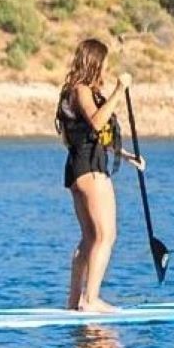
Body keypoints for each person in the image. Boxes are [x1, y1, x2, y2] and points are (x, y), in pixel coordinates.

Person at [58, 39, 144, 313]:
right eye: (104, 63)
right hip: (90, 170)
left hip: (79, 168)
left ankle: (74, 302)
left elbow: (94, 136)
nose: (107, 69)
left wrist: (128, 156)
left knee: (89, 238)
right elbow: (96, 122)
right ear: (94, 63)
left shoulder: (80, 92)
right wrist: (120, 91)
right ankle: (91, 299)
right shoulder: (81, 90)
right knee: (106, 236)